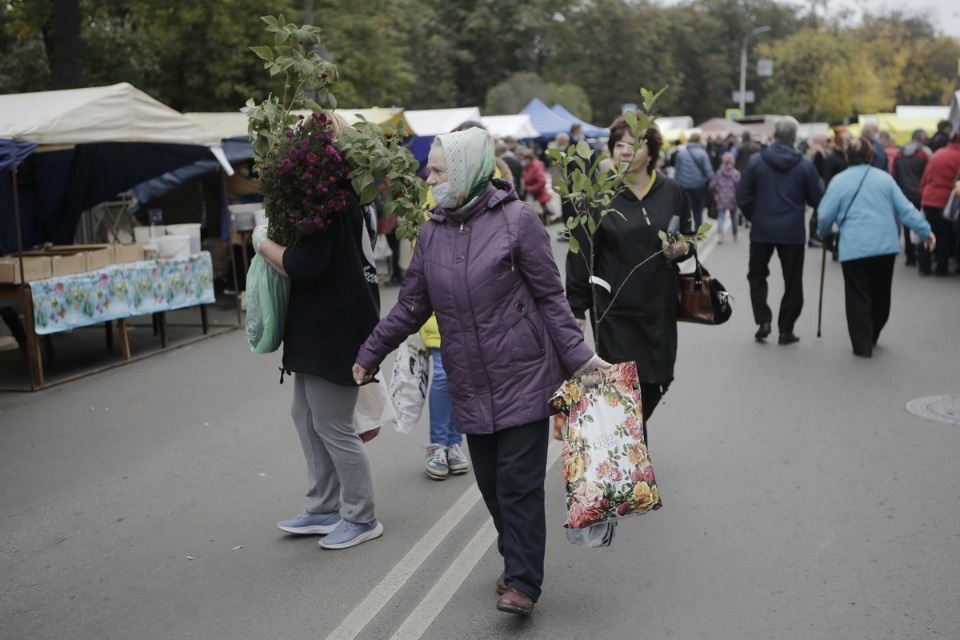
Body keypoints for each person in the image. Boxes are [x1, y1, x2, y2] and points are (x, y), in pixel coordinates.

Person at [352, 127, 604, 615]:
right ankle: (516, 557)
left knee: (519, 486)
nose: (430, 179)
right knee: (491, 486)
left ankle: (524, 582)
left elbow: (551, 298)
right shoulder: (432, 232)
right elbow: (410, 306)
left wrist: (580, 358)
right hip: (469, 379)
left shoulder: (518, 220)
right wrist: (370, 352)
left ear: (467, 172)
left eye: (438, 171)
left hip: (524, 373)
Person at [252, 114, 384, 551]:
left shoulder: (332, 200)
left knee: (333, 425)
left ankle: (361, 517)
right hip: (320, 324)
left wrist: (262, 242)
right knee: (307, 416)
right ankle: (323, 508)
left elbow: (305, 266)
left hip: (335, 327)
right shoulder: (335, 196)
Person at [566, 117, 695, 427]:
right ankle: (631, 449)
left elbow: (689, 238)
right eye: (619, 144)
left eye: (634, 144)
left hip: (660, 307)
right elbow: (581, 254)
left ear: (651, 153)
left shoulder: (672, 191)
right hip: (614, 312)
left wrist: (682, 249)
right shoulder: (598, 196)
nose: (625, 150)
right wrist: (576, 308)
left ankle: (627, 436)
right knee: (624, 388)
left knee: (659, 379)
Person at [816, 136, 936, 357]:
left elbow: (824, 215)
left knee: (857, 295)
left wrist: (822, 232)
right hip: (885, 246)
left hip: (853, 246)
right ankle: (873, 332)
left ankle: (862, 343)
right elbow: (906, 209)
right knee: (881, 293)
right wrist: (925, 231)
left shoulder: (839, 181)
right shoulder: (884, 179)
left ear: (847, 157)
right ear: (871, 156)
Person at [736, 116, 823, 345]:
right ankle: (786, 328)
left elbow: (742, 195)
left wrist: (755, 216)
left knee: (757, 275)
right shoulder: (805, 164)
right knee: (793, 280)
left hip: (762, 229)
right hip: (792, 231)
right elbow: (816, 199)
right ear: (794, 137)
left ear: (774, 135)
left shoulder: (756, 162)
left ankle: (763, 320)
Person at [917, 132, 960, 276]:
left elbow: (925, 177)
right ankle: (941, 267)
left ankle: (924, 266)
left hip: (929, 197)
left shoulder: (937, 154)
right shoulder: (958, 156)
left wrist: (922, 192)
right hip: (945, 200)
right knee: (945, 235)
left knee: (928, 232)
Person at [892, 129, 932, 267]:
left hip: (904, 193)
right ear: (921, 138)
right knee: (920, 222)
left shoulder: (899, 154)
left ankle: (910, 257)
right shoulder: (925, 153)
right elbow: (929, 174)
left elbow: (894, 175)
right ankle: (922, 256)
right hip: (920, 194)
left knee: (907, 225)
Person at [672, 132, 714, 227]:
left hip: (684, 185)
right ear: (698, 140)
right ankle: (698, 230)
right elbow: (708, 171)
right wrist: (713, 182)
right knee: (698, 209)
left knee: (685, 209)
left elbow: (677, 171)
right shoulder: (702, 153)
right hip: (698, 185)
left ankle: (686, 229)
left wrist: (676, 184)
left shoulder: (681, 154)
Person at [709, 151, 741, 244]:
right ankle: (735, 234)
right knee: (734, 217)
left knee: (721, 218)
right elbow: (739, 187)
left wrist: (716, 192)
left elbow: (712, 185)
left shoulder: (719, 172)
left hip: (721, 198)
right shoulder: (736, 173)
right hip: (733, 198)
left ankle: (720, 236)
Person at [520, 146, 556, 223]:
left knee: (541, 213)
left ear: (529, 158)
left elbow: (542, 181)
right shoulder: (527, 167)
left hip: (539, 193)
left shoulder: (536, 165)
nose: (523, 161)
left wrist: (532, 188)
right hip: (533, 195)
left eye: (524, 158)